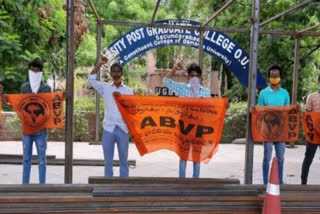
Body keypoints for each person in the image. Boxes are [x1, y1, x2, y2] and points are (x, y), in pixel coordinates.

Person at [163, 61, 211, 178]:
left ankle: (196, 182)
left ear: (200, 77)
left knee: (196, 156)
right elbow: (166, 81)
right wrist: (174, 69)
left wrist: (223, 105)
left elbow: (212, 108)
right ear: (188, 77)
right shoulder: (182, 89)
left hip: (199, 128)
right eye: (192, 75)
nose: (194, 78)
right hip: (184, 127)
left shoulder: (205, 92)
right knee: (183, 156)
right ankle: (182, 181)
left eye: (196, 76)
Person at [88, 57, 133, 177]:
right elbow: (91, 80)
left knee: (124, 161)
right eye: (114, 71)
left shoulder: (129, 91)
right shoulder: (105, 88)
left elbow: (132, 111)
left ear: (122, 73)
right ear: (111, 73)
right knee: (108, 161)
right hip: (108, 129)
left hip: (123, 129)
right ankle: (108, 185)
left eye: (118, 71)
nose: (116, 74)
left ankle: (123, 186)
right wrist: (99, 64)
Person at [19, 59, 51, 184]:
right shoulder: (24, 87)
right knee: (26, 159)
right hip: (27, 130)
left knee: (42, 159)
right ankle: (24, 185)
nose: (34, 72)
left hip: (41, 130)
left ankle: (42, 186)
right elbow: (20, 106)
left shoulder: (46, 88)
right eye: (32, 70)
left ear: (41, 72)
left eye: (37, 70)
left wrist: (61, 98)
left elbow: (51, 106)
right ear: (29, 70)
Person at [257, 64, 290, 184]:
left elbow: (288, 111)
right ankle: (266, 182)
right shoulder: (263, 94)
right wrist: (253, 109)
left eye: (277, 75)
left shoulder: (285, 93)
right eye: (272, 75)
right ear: (268, 77)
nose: (274, 77)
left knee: (280, 158)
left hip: (281, 131)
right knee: (267, 157)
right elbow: (259, 112)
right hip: (267, 131)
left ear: (280, 77)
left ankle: (279, 181)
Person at [301, 74, 320, 185]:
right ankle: (303, 182)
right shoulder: (311, 96)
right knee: (308, 158)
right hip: (313, 133)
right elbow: (307, 115)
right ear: (318, 83)